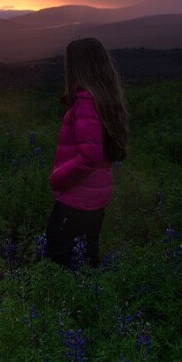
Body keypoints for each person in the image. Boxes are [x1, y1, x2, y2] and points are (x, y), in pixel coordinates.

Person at [46, 37, 129, 269]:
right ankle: (89, 304)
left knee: (57, 261)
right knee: (86, 260)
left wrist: (58, 177)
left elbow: (90, 156)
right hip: (94, 199)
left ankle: (67, 305)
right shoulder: (104, 99)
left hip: (76, 200)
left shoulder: (86, 102)